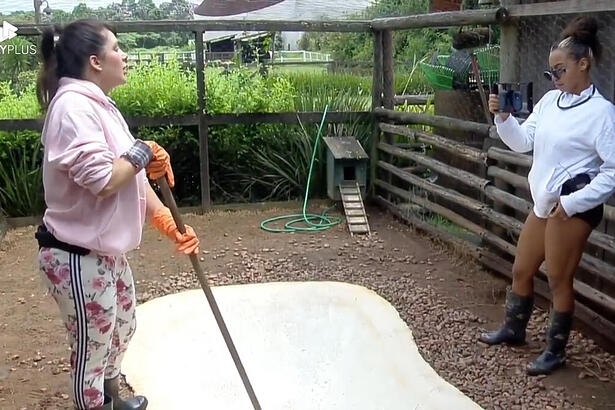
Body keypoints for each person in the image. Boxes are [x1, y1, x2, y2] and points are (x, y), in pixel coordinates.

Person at [35, 20, 200, 409]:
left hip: (104, 253)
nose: (124, 55)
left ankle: (111, 401)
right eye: (117, 48)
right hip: (74, 254)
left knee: (121, 328)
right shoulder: (73, 108)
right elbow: (106, 180)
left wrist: (167, 224)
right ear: (95, 61)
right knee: (91, 352)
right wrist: (142, 151)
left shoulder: (98, 105)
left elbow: (131, 178)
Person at [479, 16, 615, 375]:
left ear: (583, 65)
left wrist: (571, 203)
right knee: (522, 268)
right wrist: (504, 118)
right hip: (543, 205)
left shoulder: (602, 114)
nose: (553, 79)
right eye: (550, 72)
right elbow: (524, 143)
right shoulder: (551, 101)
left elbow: (613, 173)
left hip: (572, 207)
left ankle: (555, 351)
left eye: (559, 70)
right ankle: (514, 329)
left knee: (558, 279)